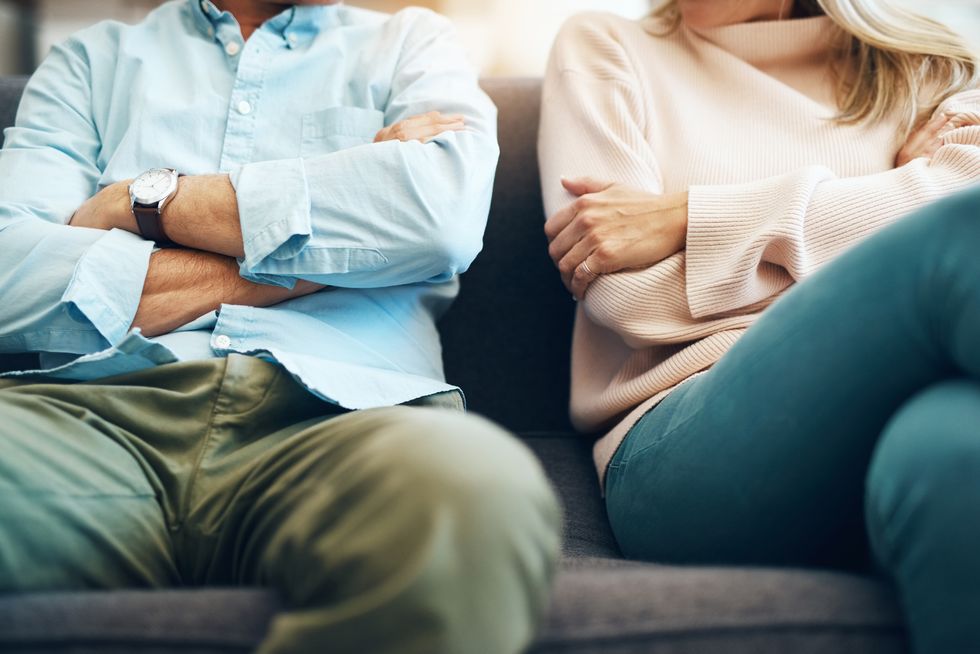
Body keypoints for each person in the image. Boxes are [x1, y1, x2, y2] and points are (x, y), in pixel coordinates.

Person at [0, 1, 562, 653]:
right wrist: (342, 244)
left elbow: (438, 218)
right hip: (85, 417)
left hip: (345, 421)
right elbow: (11, 273)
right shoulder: (90, 61)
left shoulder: (414, 44)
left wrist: (139, 203)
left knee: (477, 488)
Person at [538, 0, 980, 651]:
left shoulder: (931, 64)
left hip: (897, 408)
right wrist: (880, 204)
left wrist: (689, 219)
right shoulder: (605, 48)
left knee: (955, 453)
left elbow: (960, 190)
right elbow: (629, 300)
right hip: (683, 441)